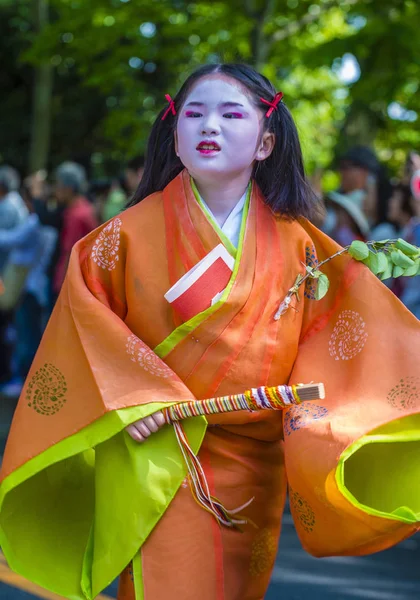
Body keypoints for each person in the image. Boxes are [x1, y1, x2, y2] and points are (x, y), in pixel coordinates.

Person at [0, 64, 419, 600]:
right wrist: (131, 398)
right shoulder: (121, 237)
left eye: (230, 113)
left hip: (254, 460)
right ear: (174, 135)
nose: (209, 127)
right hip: (158, 447)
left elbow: (344, 342)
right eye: (194, 114)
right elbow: (85, 326)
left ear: (266, 142)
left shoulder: (303, 248)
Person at [52, 162, 99, 296]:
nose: (55, 189)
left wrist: (61, 285)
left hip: (69, 283)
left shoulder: (76, 215)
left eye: (58, 185)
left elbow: (70, 252)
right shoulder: (84, 207)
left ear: (69, 188)